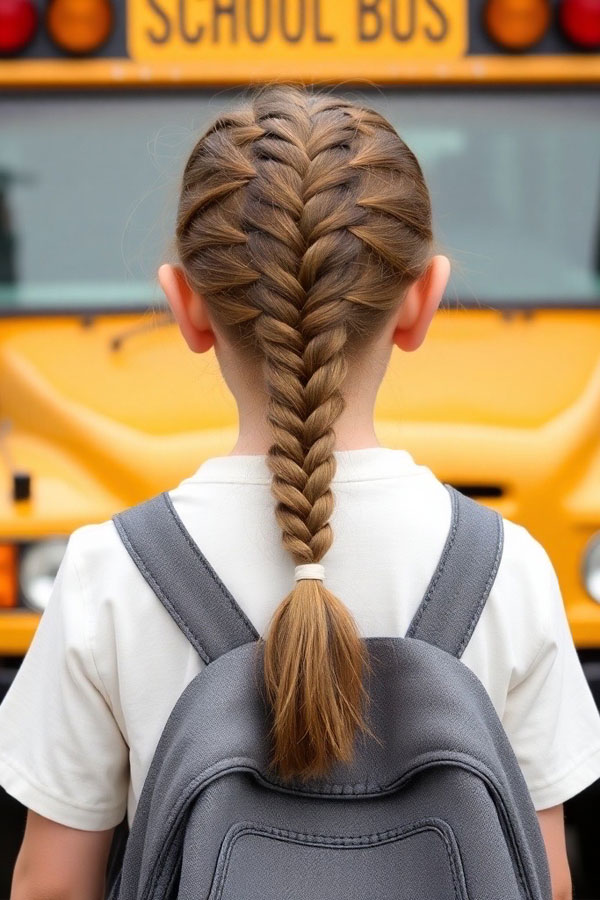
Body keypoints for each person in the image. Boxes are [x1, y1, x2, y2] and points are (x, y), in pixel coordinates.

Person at [1, 82, 599, 900]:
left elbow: (53, 888)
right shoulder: (509, 570)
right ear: (423, 301)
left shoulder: (111, 572)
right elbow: (544, 879)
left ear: (187, 308)